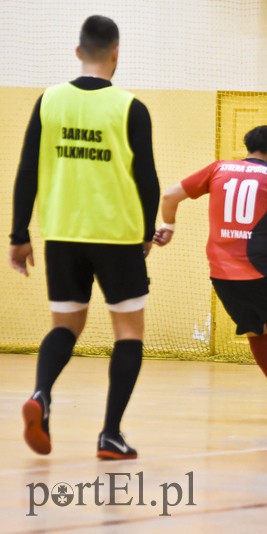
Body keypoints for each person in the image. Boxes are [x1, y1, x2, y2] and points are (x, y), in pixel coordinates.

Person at [9, 16, 160, 459]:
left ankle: (40, 395)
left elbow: (26, 171)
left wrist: (19, 234)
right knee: (128, 332)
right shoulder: (130, 107)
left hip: (62, 233)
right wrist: (147, 232)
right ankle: (110, 434)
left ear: (78, 52)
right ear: (116, 53)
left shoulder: (49, 101)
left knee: (66, 326)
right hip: (116, 235)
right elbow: (146, 178)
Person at [154, 125, 267, 421]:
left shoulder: (218, 169)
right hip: (263, 270)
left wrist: (169, 227)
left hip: (222, 275)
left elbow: (170, 195)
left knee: (256, 333)